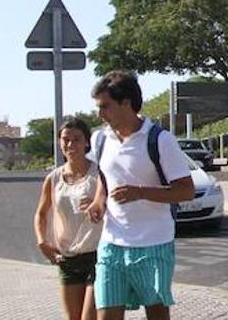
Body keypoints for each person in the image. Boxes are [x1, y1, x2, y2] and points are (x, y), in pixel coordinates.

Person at [86, 70, 194, 320]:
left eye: (105, 107)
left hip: (153, 244)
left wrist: (141, 192)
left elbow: (186, 190)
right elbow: (104, 177)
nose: (99, 114)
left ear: (126, 103)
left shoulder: (161, 140)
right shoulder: (100, 139)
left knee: (156, 314)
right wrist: (98, 201)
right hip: (111, 244)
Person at [34, 117, 103, 320]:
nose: (71, 144)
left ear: (87, 142)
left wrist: (99, 205)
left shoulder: (99, 174)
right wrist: (42, 242)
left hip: (97, 256)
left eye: (77, 139)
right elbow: (41, 213)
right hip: (68, 259)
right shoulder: (53, 178)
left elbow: (117, 207)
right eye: (66, 139)